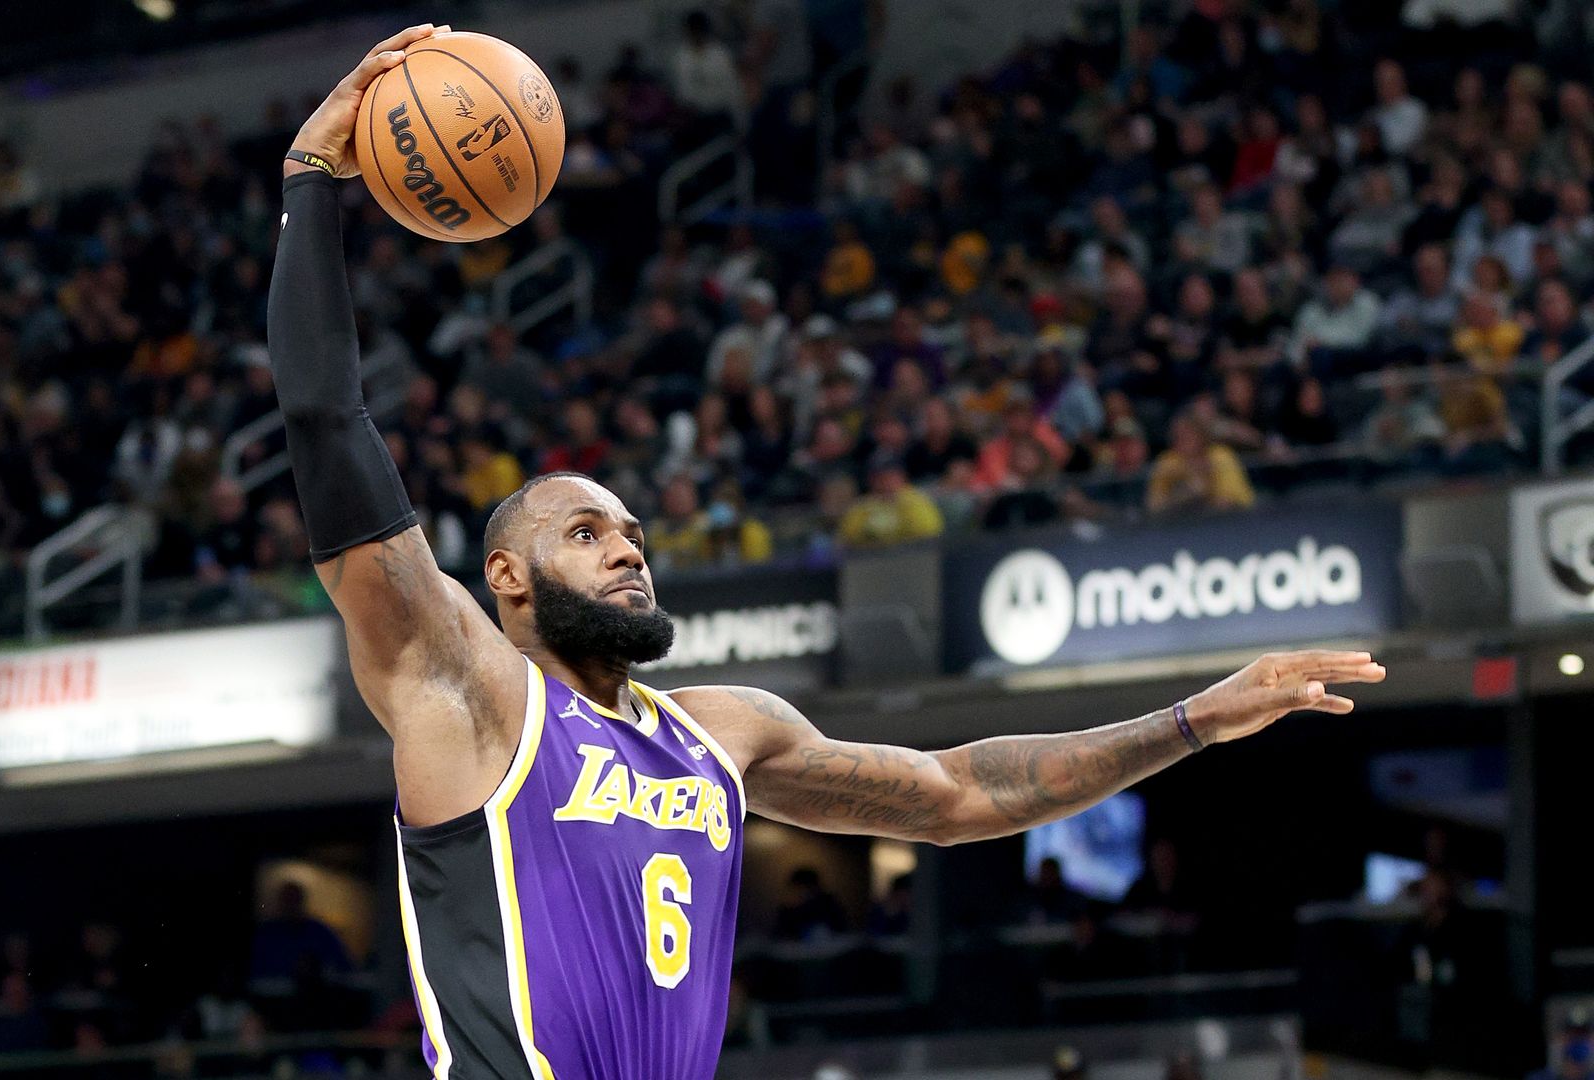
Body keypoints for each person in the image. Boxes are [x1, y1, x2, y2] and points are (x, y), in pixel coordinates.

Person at [267, 28, 1387, 1079]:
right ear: (502, 576)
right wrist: (312, 184)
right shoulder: (466, 685)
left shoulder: (722, 733)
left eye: (634, 535)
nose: (626, 552)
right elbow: (329, 426)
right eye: (585, 531)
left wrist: (1194, 718)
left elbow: (959, 792)